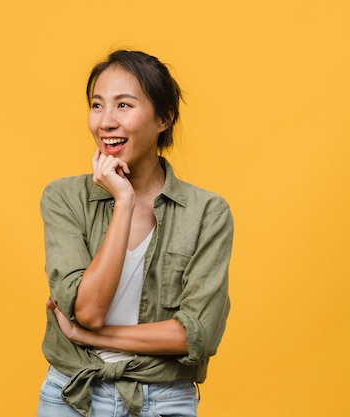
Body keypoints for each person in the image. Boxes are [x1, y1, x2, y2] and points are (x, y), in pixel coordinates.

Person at [36, 50, 234, 417]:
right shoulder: (63, 198)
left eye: (123, 105)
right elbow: (89, 311)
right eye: (97, 105)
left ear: (164, 117)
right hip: (72, 396)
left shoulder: (207, 213)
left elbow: (198, 335)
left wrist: (88, 337)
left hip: (164, 400)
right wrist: (123, 202)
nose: (106, 122)